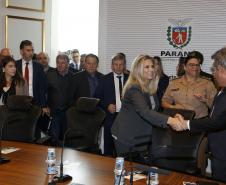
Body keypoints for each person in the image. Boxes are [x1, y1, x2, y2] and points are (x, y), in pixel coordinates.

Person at [171, 47, 226, 183]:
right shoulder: (222, 90)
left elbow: (218, 121)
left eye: (215, 70)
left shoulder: (211, 85)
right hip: (218, 151)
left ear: (223, 70)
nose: (213, 74)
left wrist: (186, 124)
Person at [111, 54, 181, 156]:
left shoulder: (150, 88)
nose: (151, 69)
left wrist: (173, 116)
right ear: (138, 70)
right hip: (126, 136)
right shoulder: (134, 88)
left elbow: (155, 111)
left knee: (138, 169)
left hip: (141, 135)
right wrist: (170, 120)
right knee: (128, 169)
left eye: (152, 66)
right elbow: (145, 111)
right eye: (147, 67)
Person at [162, 52, 217, 119]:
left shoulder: (208, 83)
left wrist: (205, 100)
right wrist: (173, 107)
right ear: (185, 67)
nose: (195, 67)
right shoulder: (173, 83)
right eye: (191, 65)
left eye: (197, 65)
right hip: (178, 122)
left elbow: (216, 106)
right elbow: (164, 102)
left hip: (199, 122)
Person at [95, 53, 129, 156]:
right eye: (115, 64)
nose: (118, 67)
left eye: (120, 64)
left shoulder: (131, 79)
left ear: (124, 65)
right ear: (111, 65)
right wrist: (107, 106)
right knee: (108, 147)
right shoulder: (104, 79)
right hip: (110, 117)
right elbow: (96, 97)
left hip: (126, 118)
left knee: (124, 146)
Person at [46, 54, 75, 143]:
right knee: (54, 137)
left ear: (68, 64)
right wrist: (45, 105)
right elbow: (44, 91)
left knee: (66, 137)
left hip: (69, 111)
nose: (59, 65)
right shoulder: (50, 75)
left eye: (63, 63)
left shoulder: (74, 76)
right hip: (55, 111)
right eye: (58, 62)